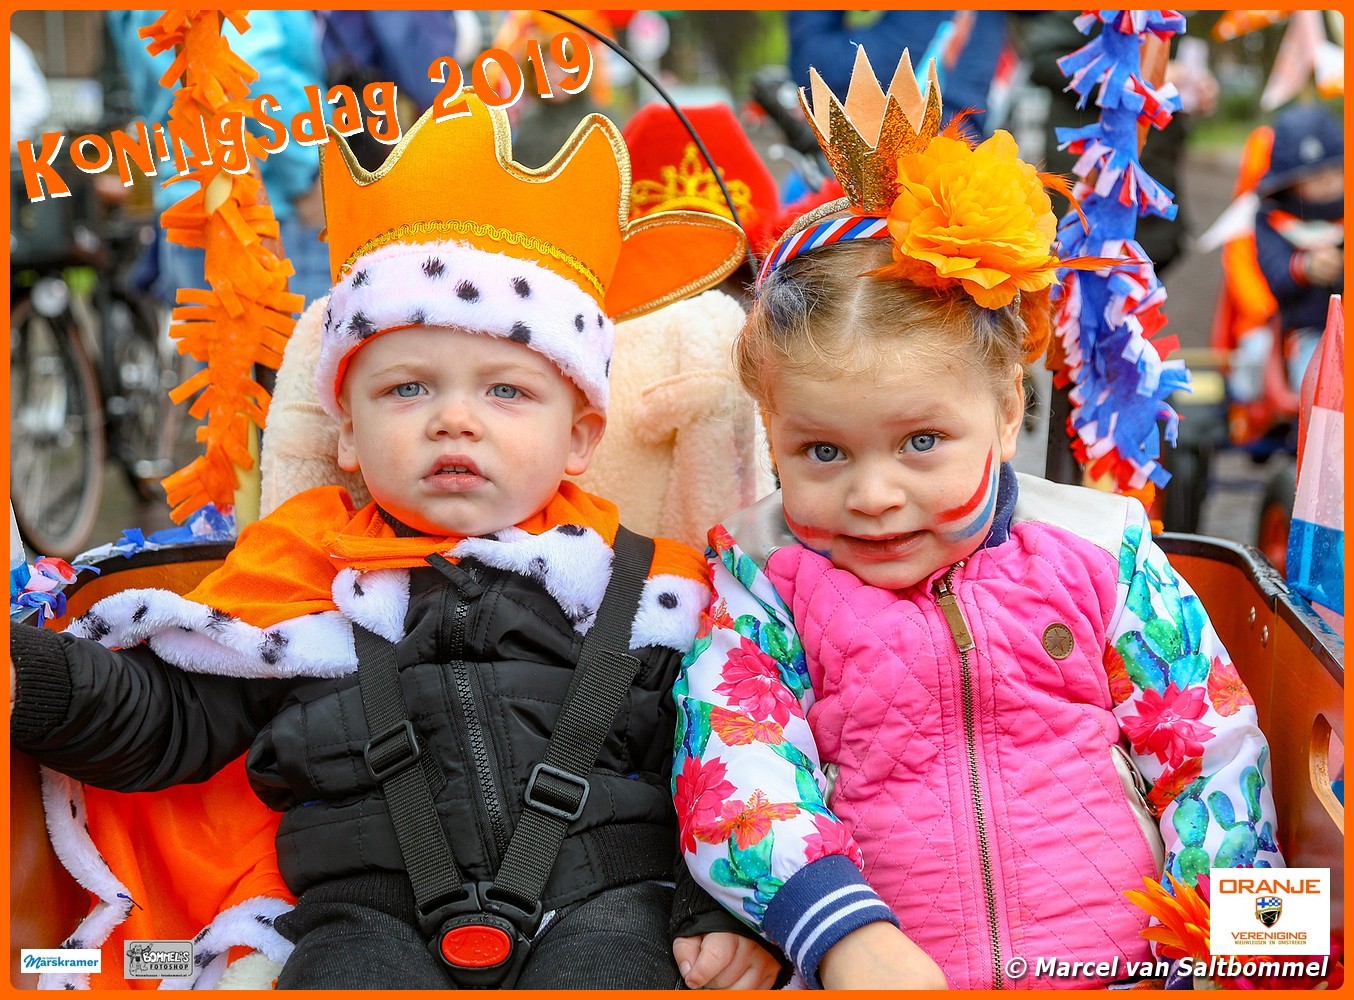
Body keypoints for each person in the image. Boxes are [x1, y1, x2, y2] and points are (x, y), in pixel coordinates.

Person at [11, 94, 781, 990]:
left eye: (506, 392)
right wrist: (29, 676)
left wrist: (710, 913)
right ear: (345, 431)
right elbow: (169, 720)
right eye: (407, 389)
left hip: (610, 898)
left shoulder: (653, 592)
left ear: (580, 436)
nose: (454, 420)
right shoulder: (293, 579)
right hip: (364, 915)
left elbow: (719, 768)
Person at [673, 50, 1283, 991]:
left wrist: (1247, 964)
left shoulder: (1102, 548)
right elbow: (736, 766)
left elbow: (1216, 755)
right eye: (822, 454)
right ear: (772, 431)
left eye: (921, 442)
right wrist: (836, 933)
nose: (874, 495)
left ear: (1005, 411)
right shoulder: (765, 579)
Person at [105, 10, 331, 308]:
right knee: (303, 350)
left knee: (223, 352)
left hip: (188, 205)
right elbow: (254, 64)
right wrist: (308, 176)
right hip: (268, 212)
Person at [1253, 101, 1344, 391]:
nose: (1328, 183)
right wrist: (1306, 267)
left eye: (1334, 171)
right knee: (1318, 388)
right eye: (1314, 177)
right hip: (1311, 332)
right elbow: (1275, 272)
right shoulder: (1274, 219)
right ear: (1291, 184)